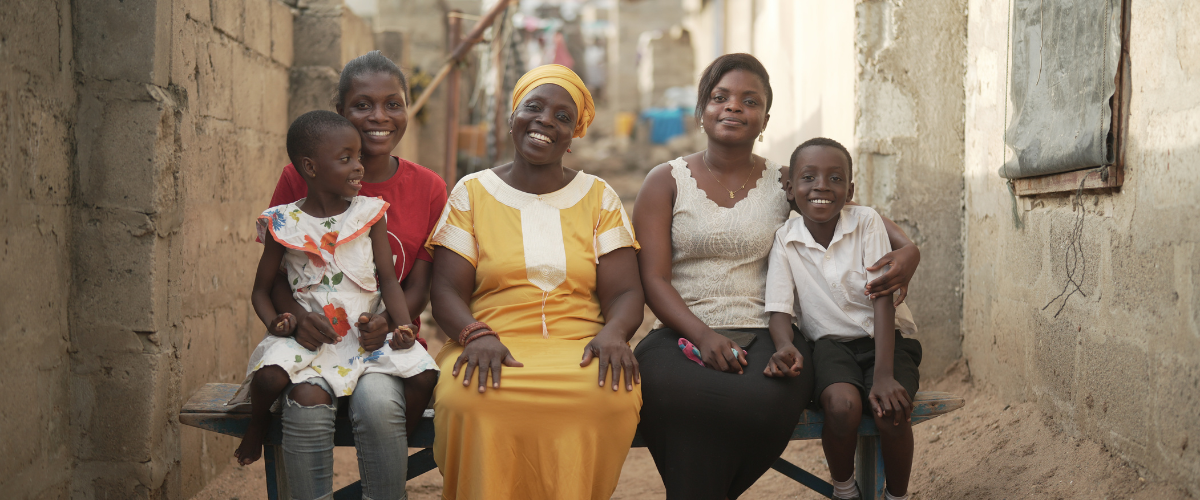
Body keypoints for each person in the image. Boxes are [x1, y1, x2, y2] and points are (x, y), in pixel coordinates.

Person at [632, 53, 922, 499]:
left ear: (765, 119)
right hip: (680, 330)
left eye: (749, 101)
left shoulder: (785, 181)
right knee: (679, 396)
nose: (733, 107)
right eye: (720, 97)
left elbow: (859, 217)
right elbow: (653, 280)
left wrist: (909, 253)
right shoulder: (664, 181)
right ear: (701, 110)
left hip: (770, 329)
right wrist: (704, 336)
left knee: (768, 396)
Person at [426, 64, 643, 500]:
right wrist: (475, 334)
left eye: (563, 117)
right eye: (534, 107)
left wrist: (614, 334)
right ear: (512, 116)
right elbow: (446, 290)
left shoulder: (599, 196)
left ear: (573, 134)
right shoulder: (472, 192)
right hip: (487, 346)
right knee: (471, 400)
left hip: (581, 350)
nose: (546, 121)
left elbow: (625, 292)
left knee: (608, 397)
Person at [264, 51, 446, 500]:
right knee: (304, 408)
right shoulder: (298, 177)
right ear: (339, 111)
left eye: (393, 103)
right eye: (362, 105)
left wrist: (391, 322)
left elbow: (419, 281)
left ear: (407, 109)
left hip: (384, 348)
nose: (378, 117)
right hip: (315, 346)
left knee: (379, 404)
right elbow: (277, 274)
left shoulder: (429, 188)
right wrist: (296, 317)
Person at [232, 110, 438, 468]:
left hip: (363, 337)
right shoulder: (282, 222)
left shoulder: (371, 214)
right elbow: (261, 290)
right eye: (346, 159)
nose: (359, 166)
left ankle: (392, 454)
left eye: (358, 156)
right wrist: (278, 323)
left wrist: (401, 325)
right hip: (309, 337)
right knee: (267, 379)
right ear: (310, 168)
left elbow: (389, 281)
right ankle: (258, 424)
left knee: (423, 378)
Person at [766, 137, 921, 500]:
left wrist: (883, 375)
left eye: (835, 179)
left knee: (890, 410)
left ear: (849, 190)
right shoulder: (785, 240)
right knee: (841, 406)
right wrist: (785, 345)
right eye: (808, 178)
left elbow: (882, 299)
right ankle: (845, 489)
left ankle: (896, 496)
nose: (821, 186)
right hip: (830, 346)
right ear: (790, 188)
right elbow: (779, 310)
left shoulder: (866, 222)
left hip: (886, 341)